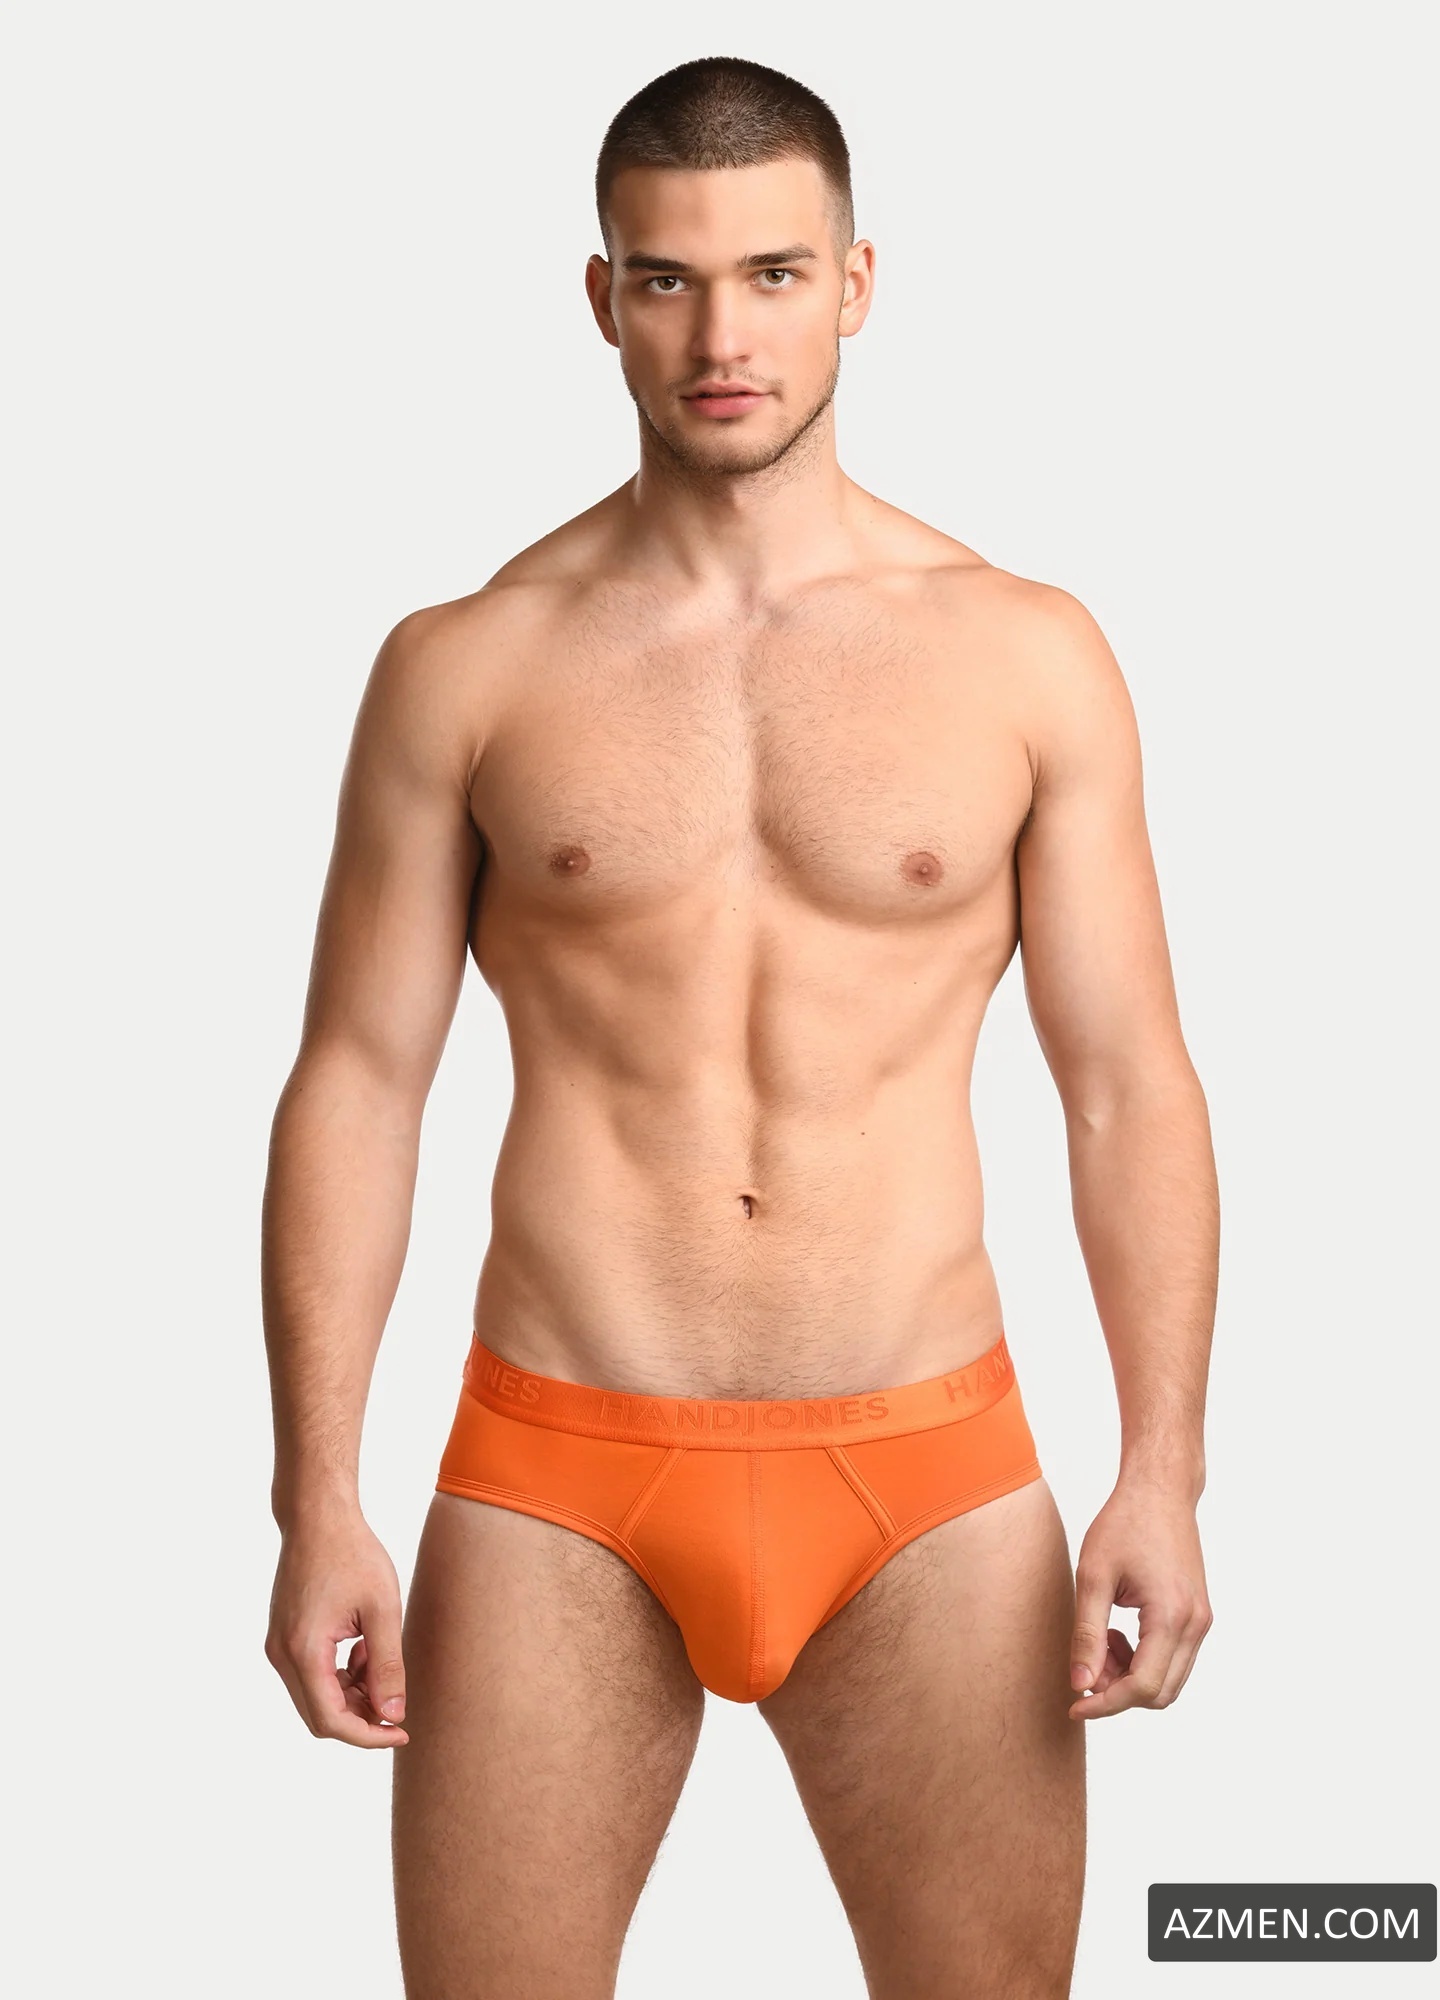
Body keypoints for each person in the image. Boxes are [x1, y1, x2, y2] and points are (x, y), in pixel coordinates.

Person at [262, 54, 1217, 2000]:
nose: (724, 337)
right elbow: (360, 1081)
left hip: (931, 1474)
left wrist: (1164, 1469)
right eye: (671, 280)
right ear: (602, 296)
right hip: (557, 1470)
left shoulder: (1023, 654)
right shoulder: (469, 666)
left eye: (775, 275)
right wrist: (316, 1495)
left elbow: (1126, 1087)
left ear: (857, 283)